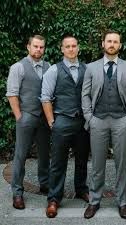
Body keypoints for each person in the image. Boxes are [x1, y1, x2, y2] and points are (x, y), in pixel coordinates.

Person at [82, 30, 126, 219]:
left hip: (120, 121)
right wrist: (89, 118)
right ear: (103, 43)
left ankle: (122, 202)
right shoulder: (91, 68)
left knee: (121, 163)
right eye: (109, 41)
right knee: (97, 164)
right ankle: (94, 201)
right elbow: (85, 95)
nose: (112, 44)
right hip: (98, 120)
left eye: (115, 42)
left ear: (120, 45)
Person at [41, 35, 90, 218]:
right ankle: (54, 199)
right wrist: (52, 122)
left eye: (74, 46)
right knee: (58, 162)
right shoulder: (54, 70)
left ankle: (81, 189)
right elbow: (45, 97)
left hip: (83, 122)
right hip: (62, 121)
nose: (71, 49)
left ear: (78, 48)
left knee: (82, 159)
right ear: (62, 49)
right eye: (67, 46)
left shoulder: (87, 69)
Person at [6, 35, 51, 209]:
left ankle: (45, 183)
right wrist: (19, 116)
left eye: (41, 47)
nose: (38, 50)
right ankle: (17, 192)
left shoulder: (48, 67)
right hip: (26, 116)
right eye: (35, 46)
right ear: (28, 47)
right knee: (21, 154)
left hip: (43, 118)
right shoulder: (18, 67)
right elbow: (12, 93)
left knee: (44, 152)